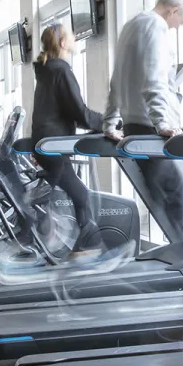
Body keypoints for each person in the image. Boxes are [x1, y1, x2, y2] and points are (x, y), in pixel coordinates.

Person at [103, 0, 183, 228]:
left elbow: (116, 79)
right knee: (177, 200)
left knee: (162, 199)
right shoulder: (155, 26)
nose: (175, 28)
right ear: (173, 10)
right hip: (151, 128)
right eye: (177, 23)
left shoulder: (130, 26)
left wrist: (110, 123)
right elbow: (154, 78)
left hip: (132, 125)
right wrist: (163, 124)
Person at [31, 23, 114, 263]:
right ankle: (85, 246)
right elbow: (80, 112)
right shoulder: (60, 70)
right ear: (63, 43)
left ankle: (85, 246)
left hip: (47, 142)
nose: (76, 37)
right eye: (72, 35)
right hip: (54, 144)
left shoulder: (47, 70)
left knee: (79, 194)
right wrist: (110, 124)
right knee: (77, 195)